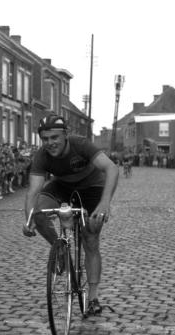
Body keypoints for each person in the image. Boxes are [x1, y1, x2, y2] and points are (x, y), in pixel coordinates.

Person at [22, 114, 119, 312]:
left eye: (55, 137)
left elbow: (111, 168)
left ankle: (92, 298)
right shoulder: (42, 155)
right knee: (38, 212)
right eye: (45, 139)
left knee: (90, 238)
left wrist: (104, 203)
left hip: (92, 188)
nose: (50, 143)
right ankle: (60, 250)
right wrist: (29, 218)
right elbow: (33, 191)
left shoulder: (80, 144)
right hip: (62, 186)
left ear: (65, 135)